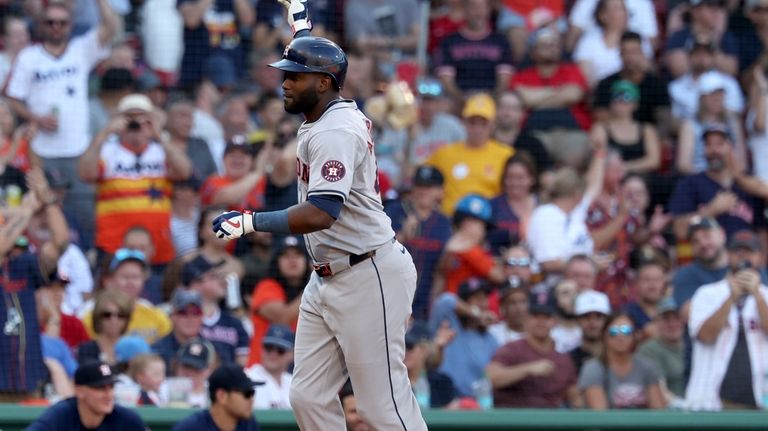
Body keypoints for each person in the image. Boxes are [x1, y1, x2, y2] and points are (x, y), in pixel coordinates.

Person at [211, 6, 428, 428]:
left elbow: (321, 212)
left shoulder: (334, 131)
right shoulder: (326, 108)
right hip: (327, 273)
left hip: (368, 271)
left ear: (324, 82)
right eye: (285, 73)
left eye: (294, 76)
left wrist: (248, 222)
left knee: (383, 406)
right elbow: (313, 57)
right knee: (308, 396)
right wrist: (300, 20)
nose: (285, 83)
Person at [5, 0, 118, 249]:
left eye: (62, 22)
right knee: (39, 214)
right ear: (41, 25)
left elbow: (112, 26)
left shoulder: (81, 49)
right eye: (50, 22)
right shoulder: (29, 57)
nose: (56, 27)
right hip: (40, 153)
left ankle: (86, 264)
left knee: (85, 215)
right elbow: (13, 97)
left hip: (77, 151)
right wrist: (36, 118)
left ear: (70, 25)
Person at [78, 94, 193, 265]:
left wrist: (159, 134)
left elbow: (185, 171)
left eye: (141, 117)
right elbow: (85, 173)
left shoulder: (161, 151)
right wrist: (105, 133)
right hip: (113, 243)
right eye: (129, 117)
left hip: (157, 244)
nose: (135, 123)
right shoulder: (107, 151)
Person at [686, 229, 768, 410]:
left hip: (761, 402)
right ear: (729, 255)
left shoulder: (766, 296)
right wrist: (731, 298)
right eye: (738, 252)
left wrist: (757, 295)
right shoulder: (707, 293)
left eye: (750, 252)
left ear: (760, 257)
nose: (743, 257)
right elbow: (706, 336)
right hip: (711, 402)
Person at [426, 93, 514, 215]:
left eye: (483, 123)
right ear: (464, 123)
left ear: (493, 125)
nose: (477, 129)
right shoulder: (444, 154)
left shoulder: (506, 155)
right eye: (472, 123)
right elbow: (424, 182)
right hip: (450, 221)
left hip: (490, 222)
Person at [384, 165, 452, 321]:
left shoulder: (444, 222)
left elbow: (442, 271)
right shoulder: (395, 211)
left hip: (423, 304)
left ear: (440, 191)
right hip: (389, 298)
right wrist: (401, 236)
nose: (423, 191)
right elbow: (376, 253)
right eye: (419, 185)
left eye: (429, 187)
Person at [486, 303, 581, 408]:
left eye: (547, 317)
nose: (541, 322)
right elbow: (490, 378)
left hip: (550, 420)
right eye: (536, 317)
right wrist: (528, 369)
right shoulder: (512, 349)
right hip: (513, 419)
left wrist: (577, 402)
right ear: (526, 320)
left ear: (555, 321)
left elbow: (575, 398)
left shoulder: (563, 359)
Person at [578, 312, 665, 409]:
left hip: (643, 423)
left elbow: (658, 411)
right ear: (604, 335)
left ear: (635, 335)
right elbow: (600, 416)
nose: (620, 337)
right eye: (613, 332)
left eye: (626, 331)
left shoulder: (647, 367)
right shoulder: (593, 369)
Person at [26, 362, 147, 431]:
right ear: (79, 391)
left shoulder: (126, 420)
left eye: (111, 387)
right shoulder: (61, 415)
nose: (109, 395)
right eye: (100, 388)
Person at [247, 235, 308, 366]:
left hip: (299, 369)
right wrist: (315, 284)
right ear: (276, 261)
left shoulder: (313, 289)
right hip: (262, 371)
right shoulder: (267, 286)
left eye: (298, 255)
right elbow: (282, 318)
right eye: (286, 256)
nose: (292, 260)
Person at [172, 364, 262, 431]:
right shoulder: (190, 428)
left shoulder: (248, 424)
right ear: (222, 396)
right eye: (246, 393)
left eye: (252, 393)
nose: (251, 400)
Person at [637, 296, 685, 406]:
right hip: (672, 413)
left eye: (677, 317)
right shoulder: (649, 350)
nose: (672, 323)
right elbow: (659, 390)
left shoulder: (694, 347)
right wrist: (685, 406)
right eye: (666, 318)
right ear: (656, 322)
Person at [151, 288, 204, 370]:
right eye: (183, 313)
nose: (190, 318)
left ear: (202, 317)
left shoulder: (211, 349)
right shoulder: (157, 351)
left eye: (196, 312)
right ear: (172, 316)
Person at [245, 324, 295, 410]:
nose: (273, 354)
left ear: (291, 354)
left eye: (280, 350)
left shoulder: (295, 383)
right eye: (268, 348)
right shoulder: (247, 377)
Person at [570, 290, 611, 374]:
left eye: (598, 317)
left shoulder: (618, 356)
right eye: (586, 317)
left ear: (607, 320)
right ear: (577, 320)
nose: (593, 323)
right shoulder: (569, 360)